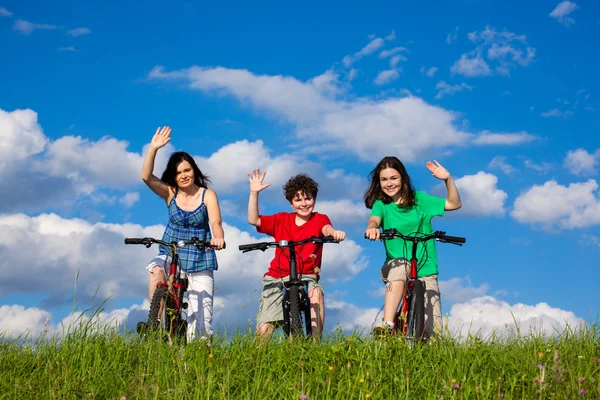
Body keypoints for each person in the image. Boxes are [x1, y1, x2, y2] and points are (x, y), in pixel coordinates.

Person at [141, 126, 225, 341]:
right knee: (156, 271)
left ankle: (195, 358)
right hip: (172, 252)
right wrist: (154, 148)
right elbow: (146, 177)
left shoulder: (208, 195)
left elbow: (215, 221)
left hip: (199, 256)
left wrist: (218, 237)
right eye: (178, 173)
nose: (183, 175)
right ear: (173, 177)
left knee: (201, 326)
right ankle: (155, 321)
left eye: (187, 170)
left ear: (194, 170)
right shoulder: (171, 193)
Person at [364, 156, 461, 339]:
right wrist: (372, 229)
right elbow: (374, 219)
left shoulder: (420, 200)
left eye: (393, 178)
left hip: (426, 268)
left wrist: (447, 179)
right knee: (402, 266)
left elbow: (454, 204)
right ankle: (388, 323)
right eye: (384, 179)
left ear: (402, 178)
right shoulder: (382, 205)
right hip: (394, 268)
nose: (389, 183)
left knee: (435, 335)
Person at [247, 168, 346, 340]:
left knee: (316, 295)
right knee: (265, 326)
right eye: (298, 200)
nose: (304, 203)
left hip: (307, 275)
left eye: (308, 198)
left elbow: (326, 228)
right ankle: (256, 360)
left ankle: (315, 346)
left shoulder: (320, 219)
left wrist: (334, 232)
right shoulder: (281, 220)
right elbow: (254, 220)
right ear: (291, 203)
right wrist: (254, 194)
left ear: (314, 199)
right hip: (277, 275)